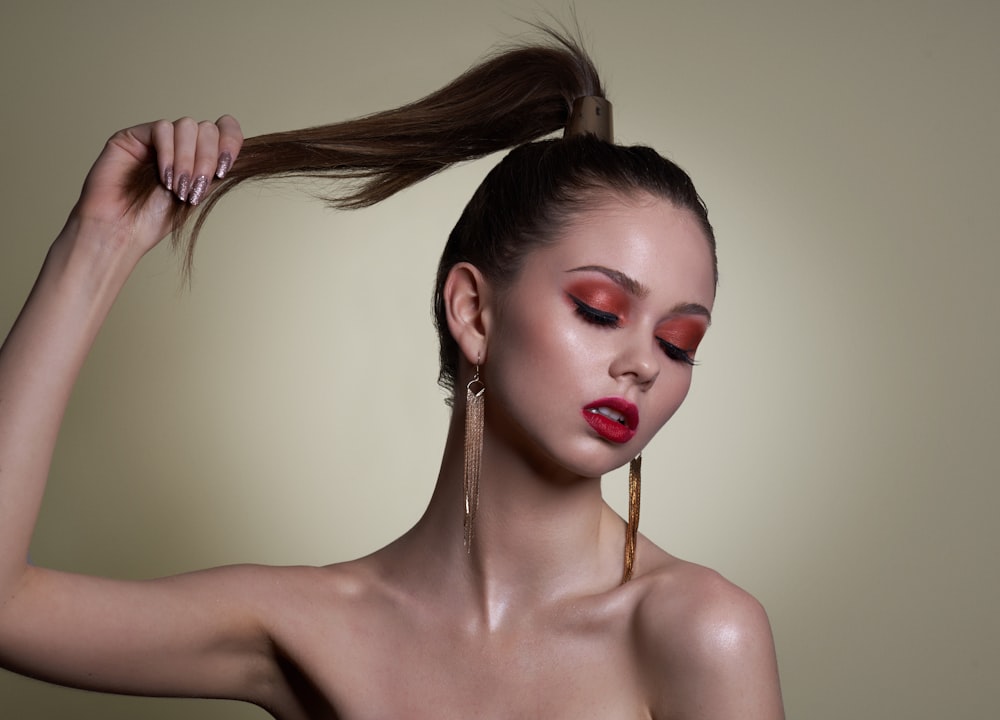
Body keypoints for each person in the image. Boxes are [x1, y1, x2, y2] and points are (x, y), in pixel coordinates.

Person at [0, 29, 783, 719]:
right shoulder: (308, 627)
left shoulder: (699, 631)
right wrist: (97, 245)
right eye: (601, 309)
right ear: (474, 313)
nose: (644, 363)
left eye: (680, 344)